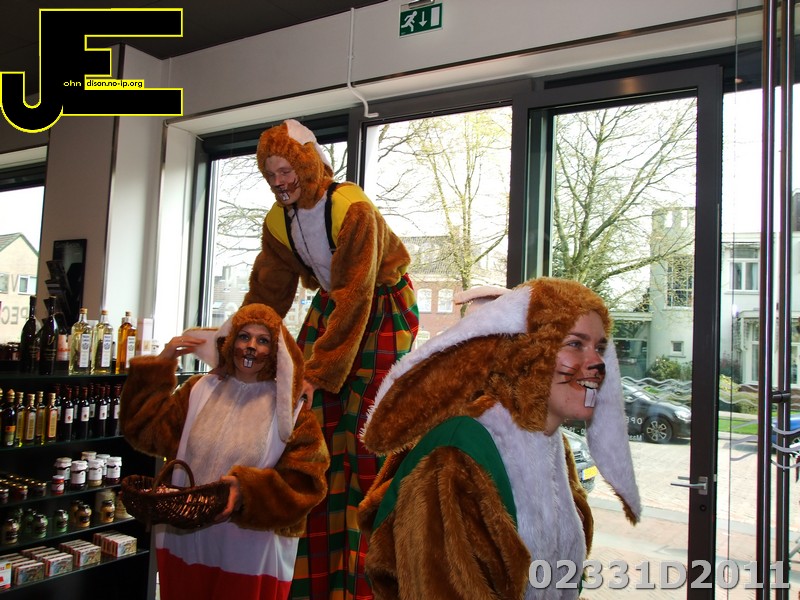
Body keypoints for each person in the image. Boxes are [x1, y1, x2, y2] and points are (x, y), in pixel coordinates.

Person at [357, 277, 641, 600]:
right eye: (575, 344)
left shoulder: (554, 446)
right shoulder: (456, 455)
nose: (598, 363)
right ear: (527, 354)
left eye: (600, 348)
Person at [241, 118, 419, 600]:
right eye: (270, 173)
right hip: (333, 304)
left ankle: (372, 574)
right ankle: (317, 576)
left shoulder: (351, 208)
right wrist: (239, 340)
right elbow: (268, 290)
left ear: (308, 164)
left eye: (286, 170)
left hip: (382, 305)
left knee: (367, 431)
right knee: (314, 428)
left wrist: (319, 371)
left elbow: (358, 295)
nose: (279, 181)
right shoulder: (278, 223)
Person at [120, 303, 330, 600]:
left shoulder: (292, 411)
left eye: (263, 340)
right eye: (244, 336)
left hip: (249, 555)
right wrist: (162, 362)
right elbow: (144, 430)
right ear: (230, 342)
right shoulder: (198, 390)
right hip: (188, 544)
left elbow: (307, 482)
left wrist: (248, 491)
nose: (251, 347)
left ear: (277, 351)